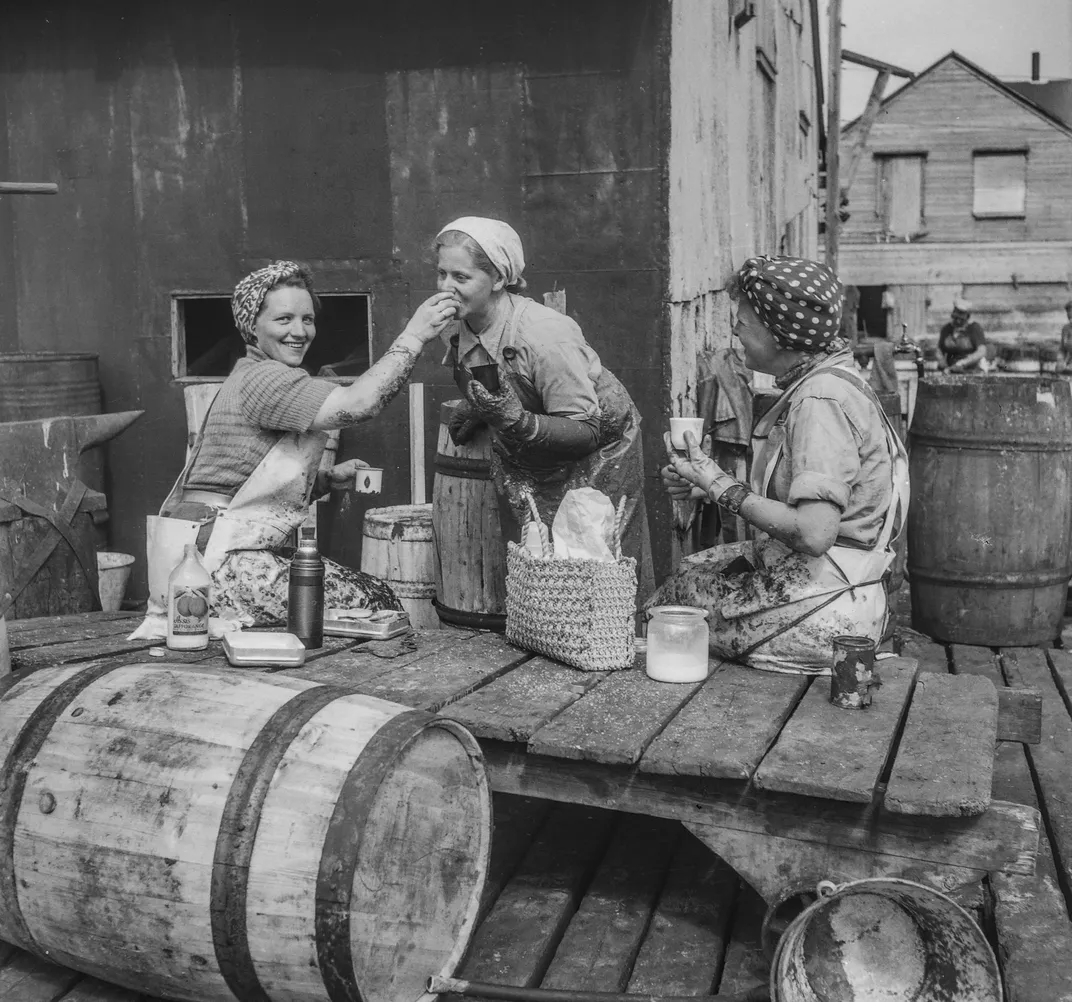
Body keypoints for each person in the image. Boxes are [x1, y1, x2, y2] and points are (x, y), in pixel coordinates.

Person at [151, 260, 458, 625]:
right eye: (284, 319)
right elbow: (359, 404)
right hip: (216, 567)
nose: (299, 331)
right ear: (252, 327)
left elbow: (237, 489)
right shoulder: (263, 379)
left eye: (307, 319)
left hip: (205, 557)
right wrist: (415, 335)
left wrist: (325, 481)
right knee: (377, 601)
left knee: (362, 597)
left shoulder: (249, 375)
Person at [648, 255, 909, 674]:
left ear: (781, 334)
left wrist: (718, 483)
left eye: (744, 322)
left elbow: (814, 532)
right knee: (693, 570)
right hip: (846, 592)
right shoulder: (838, 379)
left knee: (668, 614)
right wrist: (702, 484)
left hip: (826, 614)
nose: (735, 330)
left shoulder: (820, 400)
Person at [437, 216, 653, 597]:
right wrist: (479, 406)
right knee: (536, 571)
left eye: (460, 277)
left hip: (600, 451)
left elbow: (587, 430)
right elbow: (496, 377)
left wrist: (516, 421)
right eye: (441, 274)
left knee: (593, 571)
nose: (445, 288)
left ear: (500, 279)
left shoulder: (543, 335)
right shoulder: (455, 325)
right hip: (535, 445)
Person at [938, 298, 987, 372]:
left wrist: (963, 363)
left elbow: (981, 351)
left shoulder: (974, 328)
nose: (957, 321)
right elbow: (939, 349)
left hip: (971, 369)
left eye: (961, 319)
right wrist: (941, 360)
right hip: (951, 368)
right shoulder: (946, 329)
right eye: (956, 318)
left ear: (967, 317)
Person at [1061, 300, 1072, 369]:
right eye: (1067, 311)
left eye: (1070, 311)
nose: (1068, 314)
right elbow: (1062, 348)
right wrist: (1061, 360)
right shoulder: (1065, 328)